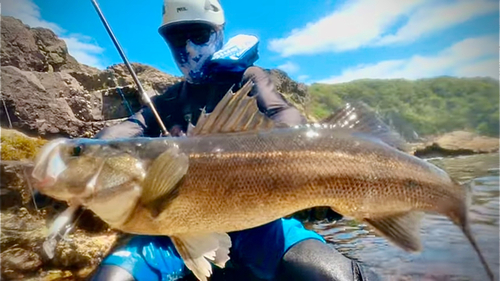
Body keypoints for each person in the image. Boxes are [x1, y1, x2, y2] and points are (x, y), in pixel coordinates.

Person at [91, 0, 377, 280]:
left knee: (328, 274)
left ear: (219, 33)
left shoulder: (248, 78)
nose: (187, 47)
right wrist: (82, 165)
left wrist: (306, 177)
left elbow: (284, 117)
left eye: (199, 34)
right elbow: (128, 128)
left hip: (260, 222)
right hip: (179, 226)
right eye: (177, 37)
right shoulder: (167, 101)